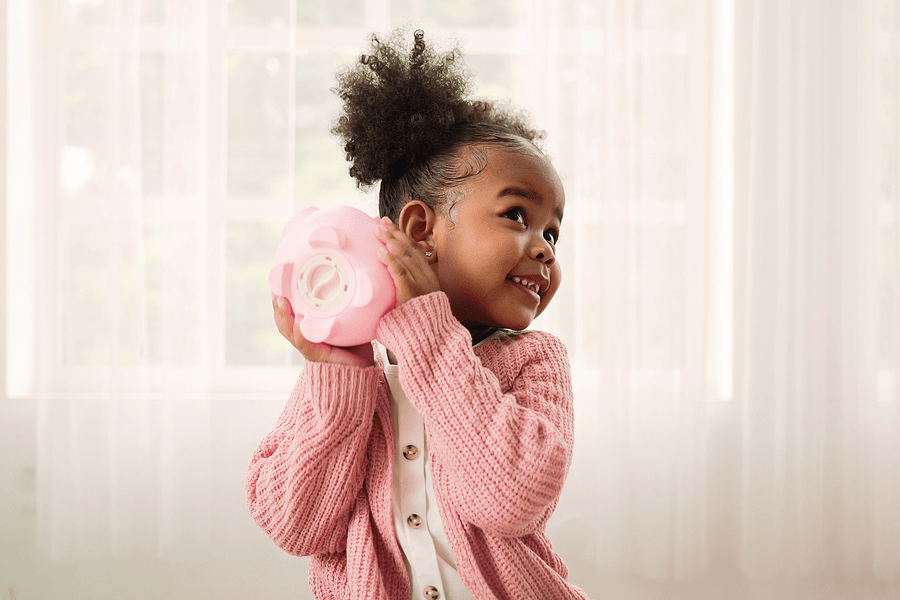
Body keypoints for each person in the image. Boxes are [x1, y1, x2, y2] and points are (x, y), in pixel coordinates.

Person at [247, 27, 588, 600]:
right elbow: (295, 525)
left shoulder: (535, 361)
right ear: (420, 231)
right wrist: (341, 380)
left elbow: (513, 497)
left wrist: (430, 336)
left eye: (553, 230)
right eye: (515, 216)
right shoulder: (349, 372)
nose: (545, 246)